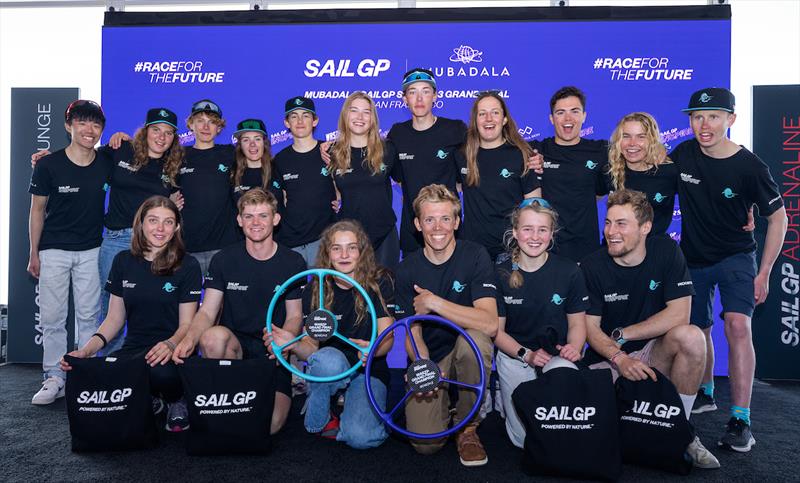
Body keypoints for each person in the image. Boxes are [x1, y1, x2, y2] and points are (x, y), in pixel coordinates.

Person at [671, 88, 787, 451]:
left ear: (731, 120)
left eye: (714, 117)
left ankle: (741, 419)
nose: (704, 125)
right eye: (698, 117)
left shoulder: (751, 167)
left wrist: (764, 271)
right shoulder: (683, 154)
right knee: (699, 327)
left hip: (737, 257)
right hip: (692, 257)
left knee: (737, 325)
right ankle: (705, 392)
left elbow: (779, 218)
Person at [580, 189, 720, 469]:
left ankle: (681, 431)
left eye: (621, 224)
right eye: (608, 223)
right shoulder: (592, 265)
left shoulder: (667, 251)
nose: (611, 231)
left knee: (692, 337)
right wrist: (619, 358)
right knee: (594, 446)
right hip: (608, 360)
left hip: (651, 353)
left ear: (645, 228)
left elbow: (681, 314)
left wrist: (625, 334)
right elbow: (590, 329)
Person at [31, 108, 184, 354]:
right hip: (115, 241)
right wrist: (50, 161)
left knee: (154, 306)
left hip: (155, 245)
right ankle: (106, 370)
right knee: (106, 309)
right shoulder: (120, 150)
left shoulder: (176, 165)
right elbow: (81, 159)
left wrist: (172, 206)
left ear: (174, 138)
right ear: (145, 131)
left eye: (168, 133)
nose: (161, 137)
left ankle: (146, 368)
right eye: (156, 129)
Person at [60, 196, 201, 432]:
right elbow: (114, 319)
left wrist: (170, 343)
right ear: (141, 224)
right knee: (103, 375)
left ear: (176, 227)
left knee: (162, 373)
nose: (160, 229)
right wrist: (87, 350)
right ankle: (151, 396)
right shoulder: (123, 261)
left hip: (172, 350)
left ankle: (176, 399)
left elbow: (188, 324)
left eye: (168, 222)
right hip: (134, 350)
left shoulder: (188, 265)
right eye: (153, 220)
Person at [172, 188, 306, 435]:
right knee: (212, 336)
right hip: (236, 347)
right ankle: (227, 396)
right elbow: (207, 312)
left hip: (271, 351)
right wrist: (189, 339)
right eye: (249, 216)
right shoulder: (224, 260)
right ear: (239, 220)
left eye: (263, 216)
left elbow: (295, 316)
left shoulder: (293, 261)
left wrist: (282, 340)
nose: (256, 223)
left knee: (269, 427)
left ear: (275, 219)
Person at [267, 220, 395, 449]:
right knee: (327, 361)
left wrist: (373, 348)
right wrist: (293, 344)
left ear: (362, 251)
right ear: (327, 253)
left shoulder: (380, 281)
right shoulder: (316, 288)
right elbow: (311, 348)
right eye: (336, 248)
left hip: (368, 368)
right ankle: (323, 413)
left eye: (352, 247)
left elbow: (388, 337)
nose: (344, 254)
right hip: (332, 366)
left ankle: (355, 410)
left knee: (361, 438)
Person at [394, 184, 497, 467]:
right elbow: (412, 333)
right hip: (433, 357)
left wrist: (435, 304)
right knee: (426, 445)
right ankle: (446, 406)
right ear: (417, 224)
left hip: (466, 352)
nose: (437, 227)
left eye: (445, 219)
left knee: (474, 341)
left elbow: (489, 324)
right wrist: (424, 367)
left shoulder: (476, 255)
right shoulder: (405, 270)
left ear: (456, 221)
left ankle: (467, 427)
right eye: (429, 219)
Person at [28, 100, 112, 405]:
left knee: (90, 316)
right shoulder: (48, 165)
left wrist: (124, 138)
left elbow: (131, 153)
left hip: (92, 249)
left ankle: (83, 371)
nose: (89, 130)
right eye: (82, 123)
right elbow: (37, 210)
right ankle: (54, 377)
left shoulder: (106, 160)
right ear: (68, 126)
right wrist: (33, 253)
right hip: (53, 251)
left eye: (96, 125)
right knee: (52, 317)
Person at [493, 198, 588, 448]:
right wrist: (526, 355)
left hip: (556, 357)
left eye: (542, 230)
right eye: (527, 229)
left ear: (551, 234)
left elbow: (578, 323)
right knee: (524, 441)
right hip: (516, 354)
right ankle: (504, 395)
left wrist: (575, 347)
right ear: (515, 232)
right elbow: (496, 332)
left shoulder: (570, 271)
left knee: (556, 433)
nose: (535, 237)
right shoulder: (500, 271)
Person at [386, 68, 467, 255]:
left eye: (425, 91)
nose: (419, 99)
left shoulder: (455, 129)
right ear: (404, 99)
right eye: (412, 92)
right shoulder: (398, 134)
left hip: (448, 230)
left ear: (435, 96)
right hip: (412, 231)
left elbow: (484, 155)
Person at [456, 91, 541, 260]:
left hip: (511, 250)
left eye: (495, 112)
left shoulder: (522, 154)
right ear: (475, 121)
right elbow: (454, 188)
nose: (489, 119)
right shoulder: (461, 155)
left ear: (504, 119)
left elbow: (534, 207)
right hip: (473, 251)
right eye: (482, 114)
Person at [531, 86, 609, 262]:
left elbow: (602, 192)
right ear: (551, 119)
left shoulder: (600, 151)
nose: (568, 118)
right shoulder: (535, 151)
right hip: (545, 250)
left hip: (586, 251)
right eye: (560, 112)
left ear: (584, 116)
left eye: (575, 111)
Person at [329, 92, 399, 270]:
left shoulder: (388, 150)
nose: (360, 117)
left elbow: (406, 182)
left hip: (384, 235)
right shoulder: (332, 152)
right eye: (354, 111)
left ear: (373, 118)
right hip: (349, 239)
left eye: (366, 112)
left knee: (385, 294)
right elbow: (330, 190)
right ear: (346, 115)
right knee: (352, 295)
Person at [272, 96, 337, 267]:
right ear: (286, 123)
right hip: (291, 242)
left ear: (315, 121)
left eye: (306, 115)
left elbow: (344, 185)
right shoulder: (280, 159)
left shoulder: (330, 151)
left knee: (325, 293)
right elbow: (282, 198)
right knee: (294, 294)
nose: (300, 121)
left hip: (325, 240)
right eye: (294, 116)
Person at [607, 112, 678, 237]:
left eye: (641, 137)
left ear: (652, 141)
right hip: (617, 249)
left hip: (655, 250)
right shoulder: (610, 171)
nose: (632, 143)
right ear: (618, 140)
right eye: (626, 136)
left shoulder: (669, 172)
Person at [231, 118, 284, 210]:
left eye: (257, 139)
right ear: (240, 145)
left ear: (264, 143)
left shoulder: (279, 168)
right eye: (246, 140)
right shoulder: (231, 173)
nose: (252, 144)